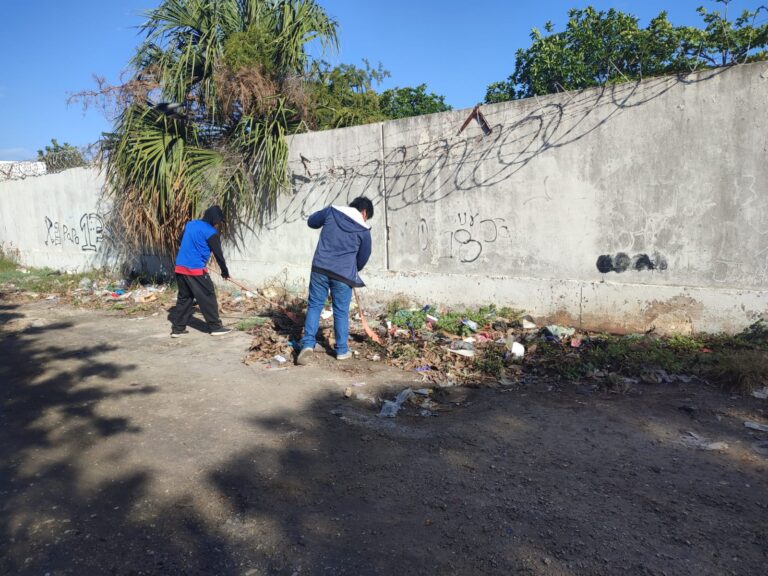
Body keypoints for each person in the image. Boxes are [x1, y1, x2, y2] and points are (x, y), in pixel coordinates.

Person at [297, 196, 374, 364]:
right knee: (340, 311)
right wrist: (353, 269)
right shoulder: (364, 231)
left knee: (315, 305)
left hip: (320, 268)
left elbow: (311, 222)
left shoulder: (332, 212)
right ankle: (341, 350)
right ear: (364, 212)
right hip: (343, 275)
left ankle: (308, 344)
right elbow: (363, 257)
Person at [170, 205, 232, 337]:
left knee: (184, 298)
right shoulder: (211, 232)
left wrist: (192, 251)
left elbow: (179, 240)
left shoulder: (191, 224)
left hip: (180, 267)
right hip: (195, 270)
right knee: (208, 296)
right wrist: (225, 272)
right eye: (218, 221)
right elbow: (218, 254)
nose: (218, 225)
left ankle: (178, 329)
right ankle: (215, 327)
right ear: (215, 219)